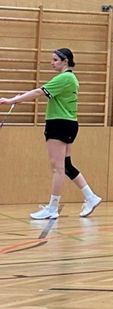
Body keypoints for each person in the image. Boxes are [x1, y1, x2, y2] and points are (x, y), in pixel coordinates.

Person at [0, 48, 102, 219]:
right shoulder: (70, 79)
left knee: (57, 168)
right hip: (67, 123)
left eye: (55, 60)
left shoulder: (65, 78)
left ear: (65, 61)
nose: (52, 62)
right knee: (66, 166)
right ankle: (91, 197)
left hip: (59, 124)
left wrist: (12, 100)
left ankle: (52, 208)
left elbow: (39, 92)